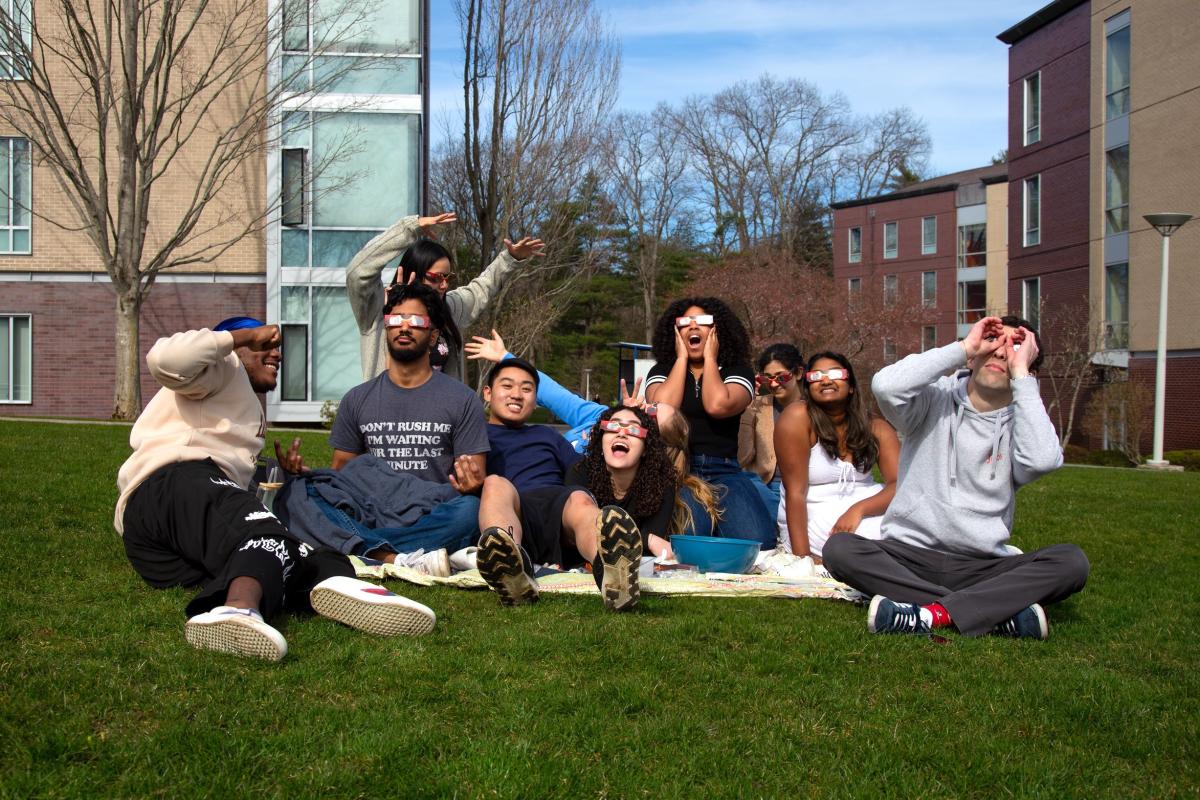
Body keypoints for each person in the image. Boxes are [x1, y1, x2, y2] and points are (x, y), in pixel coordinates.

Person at [116, 316, 435, 662]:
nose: (277, 353)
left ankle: (331, 579)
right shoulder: (223, 366)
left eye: (278, 347)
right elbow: (164, 360)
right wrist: (243, 337)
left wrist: (283, 474)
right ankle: (237, 610)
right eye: (267, 345)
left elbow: (224, 490)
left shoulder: (238, 401)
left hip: (164, 550)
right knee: (267, 533)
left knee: (292, 551)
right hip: (170, 484)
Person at [822, 316, 1090, 640]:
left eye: (1015, 349)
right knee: (840, 550)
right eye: (994, 342)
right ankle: (993, 612)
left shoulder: (1023, 422)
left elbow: (1044, 460)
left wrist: (1022, 376)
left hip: (982, 565)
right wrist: (964, 347)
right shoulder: (933, 399)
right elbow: (885, 386)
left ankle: (928, 613)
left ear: (1028, 368)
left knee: (1071, 562)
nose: (1002, 354)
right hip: (909, 555)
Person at [325, 283, 490, 566]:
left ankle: (366, 547)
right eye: (395, 320)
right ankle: (405, 556)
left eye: (415, 321)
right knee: (299, 492)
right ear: (386, 328)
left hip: (431, 512)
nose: (404, 327)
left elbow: (473, 478)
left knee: (471, 511)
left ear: (433, 334)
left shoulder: (462, 400)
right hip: (371, 509)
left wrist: (472, 482)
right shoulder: (357, 399)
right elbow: (341, 473)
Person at [474, 357, 645, 612]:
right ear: (488, 393)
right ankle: (511, 567)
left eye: (527, 389)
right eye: (507, 386)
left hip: (558, 507)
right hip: (514, 510)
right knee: (495, 483)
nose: (517, 395)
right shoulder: (476, 435)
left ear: (535, 398)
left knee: (579, 498)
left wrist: (627, 423)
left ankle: (610, 571)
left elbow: (586, 471)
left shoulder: (546, 435)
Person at [346, 211, 545, 381]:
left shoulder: (448, 307)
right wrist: (409, 228)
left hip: (437, 420)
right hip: (387, 419)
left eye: (447, 277)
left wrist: (510, 258)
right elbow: (358, 271)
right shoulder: (379, 306)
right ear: (413, 271)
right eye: (435, 277)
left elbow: (481, 288)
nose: (444, 285)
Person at [644, 297, 776, 547]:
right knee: (690, 540)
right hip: (679, 470)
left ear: (716, 329)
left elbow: (718, 405)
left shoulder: (737, 370)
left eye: (702, 321)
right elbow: (665, 408)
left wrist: (710, 360)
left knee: (757, 542)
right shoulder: (662, 370)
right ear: (675, 331)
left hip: (725, 471)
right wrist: (681, 359)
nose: (693, 327)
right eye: (685, 322)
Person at [773, 352, 899, 561]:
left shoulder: (877, 427)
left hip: (866, 511)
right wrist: (803, 559)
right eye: (816, 376)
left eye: (835, 373)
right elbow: (795, 493)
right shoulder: (797, 417)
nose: (825, 380)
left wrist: (859, 509)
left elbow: (900, 485)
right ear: (808, 387)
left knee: (916, 530)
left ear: (851, 386)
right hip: (813, 517)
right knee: (859, 547)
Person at [739, 342, 805, 517]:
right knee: (741, 480)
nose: (774, 384)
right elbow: (743, 457)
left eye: (781, 377)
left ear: (798, 373)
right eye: (767, 378)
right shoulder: (758, 405)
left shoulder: (812, 408)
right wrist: (748, 406)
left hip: (802, 487)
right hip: (765, 486)